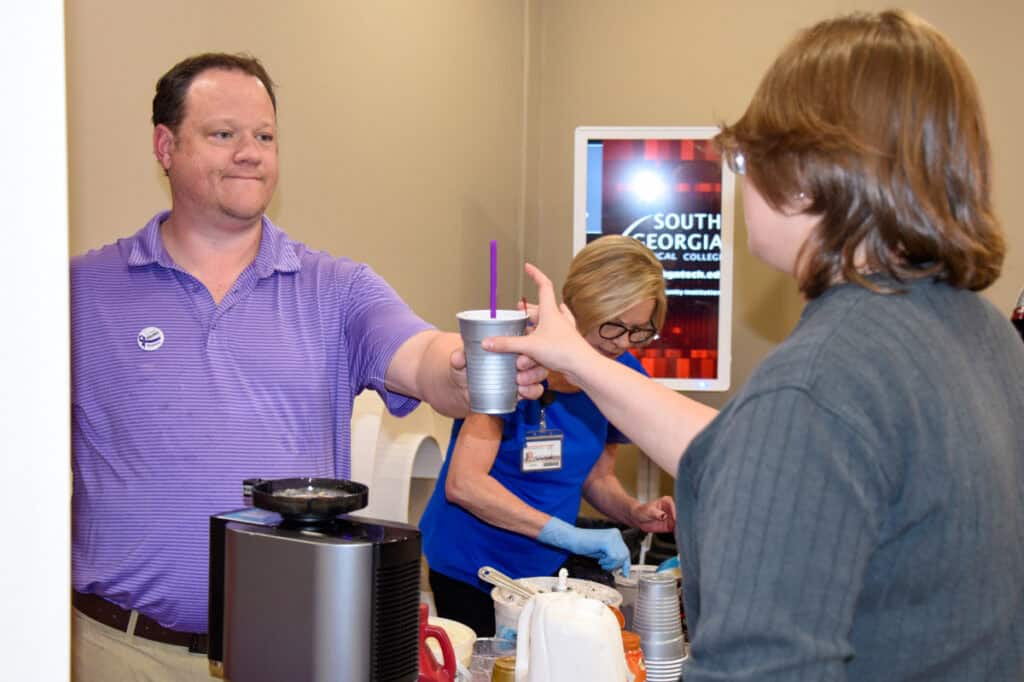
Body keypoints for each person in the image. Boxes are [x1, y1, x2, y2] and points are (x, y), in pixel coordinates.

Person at [485, 10, 1024, 681]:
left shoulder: (820, 383)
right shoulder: (984, 336)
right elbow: (744, 452)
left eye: (743, 161)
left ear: (803, 178)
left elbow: (761, 667)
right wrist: (577, 359)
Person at [69, 53, 544, 682]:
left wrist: (469, 366)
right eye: (223, 134)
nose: (251, 152)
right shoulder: (79, 294)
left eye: (264, 136)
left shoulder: (337, 290)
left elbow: (425, 359)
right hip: (123, 653)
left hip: (298, 648)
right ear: (165, 144)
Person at [419, 236, 679, 637]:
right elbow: (464, 484)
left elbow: (596, 476)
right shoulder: (517, 360)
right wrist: (571, 535)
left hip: (544, 574)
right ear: (580, 307)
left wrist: (632, 512)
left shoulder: (619, 372)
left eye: (639, 331)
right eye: (613, 327)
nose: (623, 344)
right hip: (470, 567)